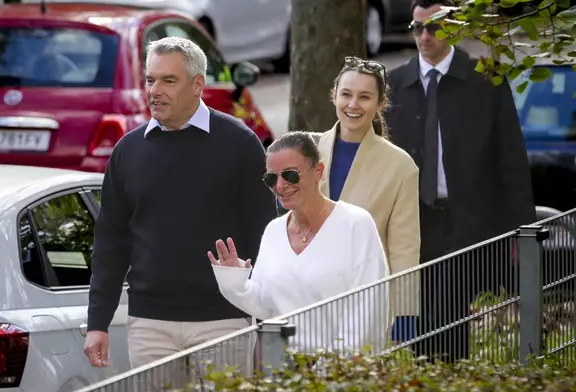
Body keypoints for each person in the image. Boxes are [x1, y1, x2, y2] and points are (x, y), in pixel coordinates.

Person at [84, 36, 278, 371]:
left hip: (223, 320)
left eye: (168, 81)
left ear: (197, 84)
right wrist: (97, 322)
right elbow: (110, 241)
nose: (155, 90)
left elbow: (264, 237)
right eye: (150, 80)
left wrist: (262, 319)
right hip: (149, 323)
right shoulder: (128, 151)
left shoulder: (240, 144)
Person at [385, 0, 536, 362]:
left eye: (433, 28)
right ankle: (432, 374)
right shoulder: (394, 85)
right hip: (413, 222)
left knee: (448, 312)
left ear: (454, 28)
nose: (424, 37)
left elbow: (511, 158)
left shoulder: (486, 79)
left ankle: (445, 373)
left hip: (467, 220)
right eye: (416, 28)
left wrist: (523, 227)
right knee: (417, 312)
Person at [208, 131, 391, 354]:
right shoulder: (273, 231)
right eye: (271, 179)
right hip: (284, 372)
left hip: (341, 373)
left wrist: (331, 369)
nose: (280, 186)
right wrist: (234, 282)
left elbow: (368, 310)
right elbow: (267, 306)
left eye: (291, 175)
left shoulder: (356, 224)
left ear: (319, 171)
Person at [316, 56, 421, 345]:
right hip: (307, 297)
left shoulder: (401, 166)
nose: (353, 104)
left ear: (380, 104)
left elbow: (404, 247)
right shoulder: (310, 151)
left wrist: (404, 311)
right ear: (334, 95)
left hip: (364, 300)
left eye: (365, 97)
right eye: (346, 94)